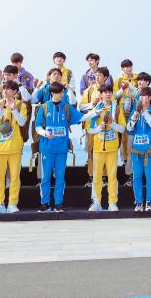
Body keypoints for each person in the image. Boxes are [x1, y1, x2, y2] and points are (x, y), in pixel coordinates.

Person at [35, 82, 92, 212]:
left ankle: (58, 203)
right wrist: (45, 133)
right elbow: (37, 126)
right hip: (47, 149)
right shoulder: (44, 107)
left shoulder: (66, 107)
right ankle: (45, 203)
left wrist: (95, 112)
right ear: (53, 93)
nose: (62, 94)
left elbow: (81, 117)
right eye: (60, 92)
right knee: (45, 177)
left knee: (60, 178)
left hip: (62, 149)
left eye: (62, 92)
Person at [0, 81, 28, 214]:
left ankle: (12, 203)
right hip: (0, 147)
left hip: (15, 146)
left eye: (9, 89)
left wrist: (14, 109)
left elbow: (22, 122)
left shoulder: (21, 105)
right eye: (4, 89)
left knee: (15, 177)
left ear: (15, 92)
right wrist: (1, 110)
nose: (5, 91)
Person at [87, 85, 126, 212]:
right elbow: (90, 129)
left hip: (112, 148)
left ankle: (112, 203)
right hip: (98, 149)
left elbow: (123, 129)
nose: (108, 94)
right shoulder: (96, 110)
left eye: (110, 92)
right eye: (105, 92)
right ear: (101, 94)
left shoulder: (117, 109)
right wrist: (100, 127)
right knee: (97, 177)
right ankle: (96, 202)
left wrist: (112, 124)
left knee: (112, 177)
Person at [127, 87, 151, 212]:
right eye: (140, 96)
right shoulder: (134, 111)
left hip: (149, 151)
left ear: (150, 97)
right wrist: (134, 117)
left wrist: (144, 112)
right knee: (137, 176)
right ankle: (139, 202)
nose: (141, 98)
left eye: (144, 96)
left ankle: (149, 202)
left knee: (150, 176)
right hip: (136, 151)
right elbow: (129, 129)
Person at [79, 67, 111, 187]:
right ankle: (92, 177)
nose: (97, 77)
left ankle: (104, 177)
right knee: (91, 151)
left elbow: (113, 106)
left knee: (105, 151)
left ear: (105, 77)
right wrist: (92, 104)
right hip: (91, 126)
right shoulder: (89, 91)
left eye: (100, 75)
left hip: (106, 126)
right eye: (96, 75)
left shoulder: (109, 91)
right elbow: (81, 107)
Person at [113, 59, 138, 185]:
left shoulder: (137, 78)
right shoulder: (118, 81)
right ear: (122, 69)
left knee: (132, 139)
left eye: (130, 66)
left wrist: (130, 86)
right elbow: (114, 97)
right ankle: (125, 159)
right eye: (126, 67)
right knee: (123, 138)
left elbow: (140, 92)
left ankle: (132, 161)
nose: (128, 69)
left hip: (135, 112)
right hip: (122, 113)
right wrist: (122, 89)